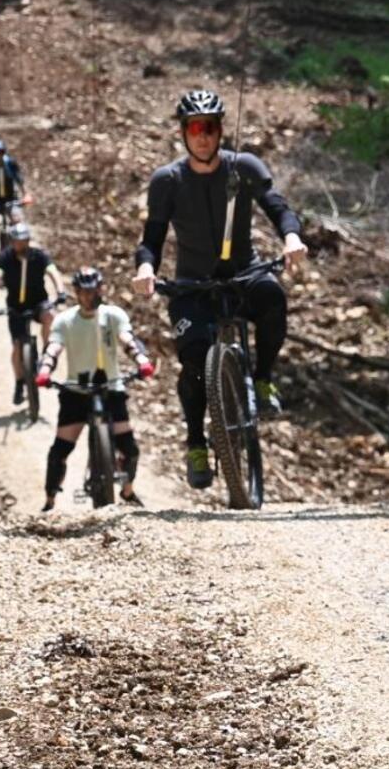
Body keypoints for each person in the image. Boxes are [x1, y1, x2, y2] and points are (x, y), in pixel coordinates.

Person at [131, 88, 307, 489]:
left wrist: (292, 238)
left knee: (273, 297)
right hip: (192, 286)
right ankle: (196, 443)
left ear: (221, 130)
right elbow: (151, 238)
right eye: (195, 128)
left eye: (209, 127)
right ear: (183, 133)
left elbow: (277, 206)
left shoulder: (242, 166)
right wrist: (145, 268)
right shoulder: (168, 181)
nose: (203, 136)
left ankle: (262, 379)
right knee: (194, 362)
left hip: (243, 273)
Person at [36, 267, 154, 510]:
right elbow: (53, 347)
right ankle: (49, 501)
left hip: (111, 389)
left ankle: (127, 491)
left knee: (130, 449)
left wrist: (141, 360)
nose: (90, 296)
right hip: (76, 392)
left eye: (94, 291)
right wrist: (45, 370)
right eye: (84, 292)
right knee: (59, 452)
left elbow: (128, 339)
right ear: (77, 293)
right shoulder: (65, 320)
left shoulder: (113, 315)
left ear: (101, 289)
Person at [0, 221, 62, 403]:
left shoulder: (39, 256)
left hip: (38, 302)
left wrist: (61, 291)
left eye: (23, 240)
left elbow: (53, 272)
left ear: (28, 240)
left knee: (50, 316)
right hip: (15, 307)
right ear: (11, 241)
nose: (20, 244)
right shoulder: (5, 258)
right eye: (16, 241)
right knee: (17, 347)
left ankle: (47, 353)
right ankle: (19, 383)